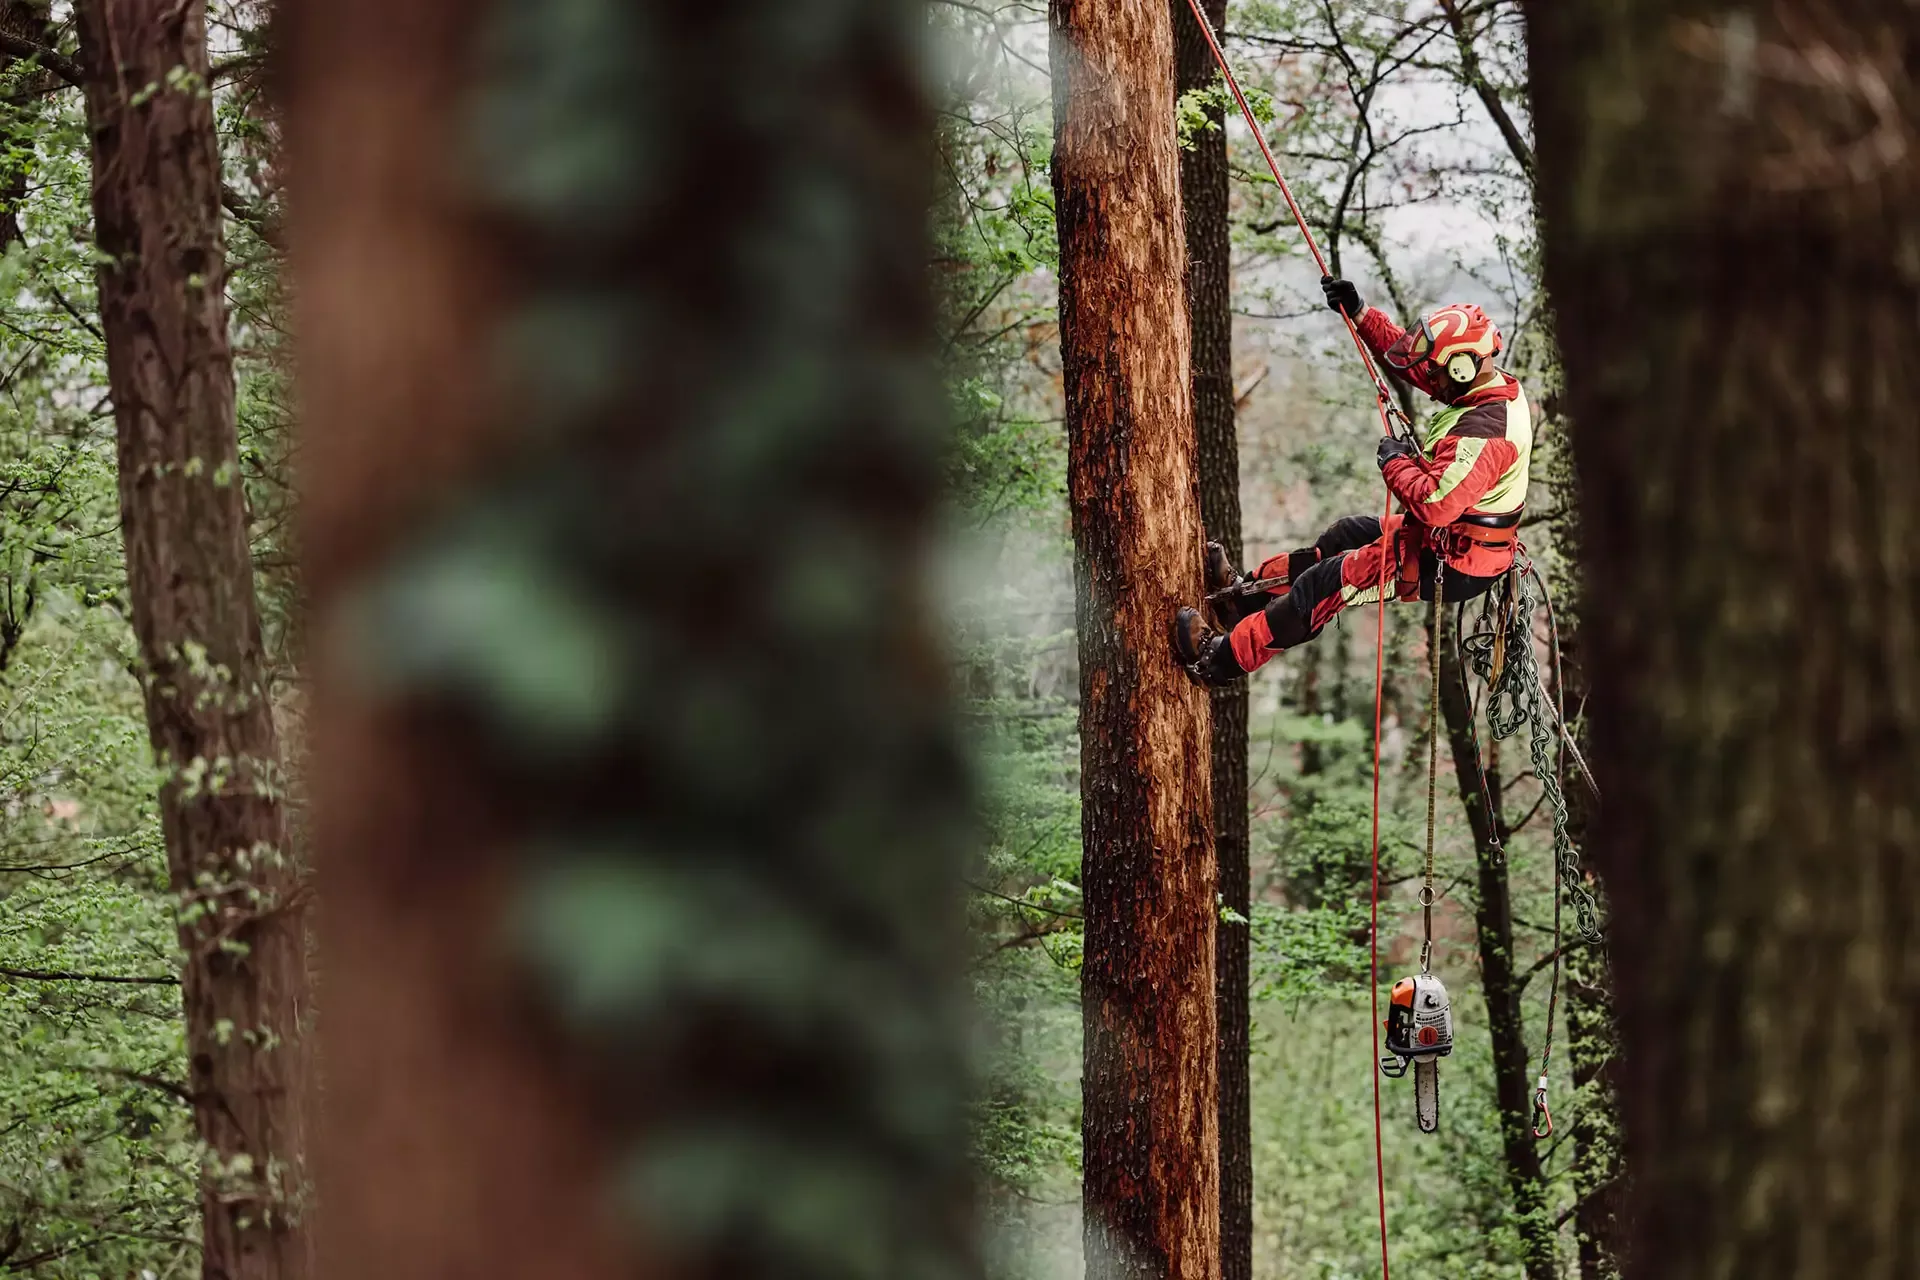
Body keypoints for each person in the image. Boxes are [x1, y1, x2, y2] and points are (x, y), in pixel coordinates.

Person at [1172, 275, 1532, 685]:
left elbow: (1435, 504)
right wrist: (1361, 313)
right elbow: (1414, 365)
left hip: (1454, 560)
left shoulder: (1485, 433)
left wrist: (1395, 462)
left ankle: (1221, 661)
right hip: (1449, 539)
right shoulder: (1485, 383)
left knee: (1324, 585)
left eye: (1439, 371)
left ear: (1463, 366)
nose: (1432, 379)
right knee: (1347, 534)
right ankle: (1244, 600)